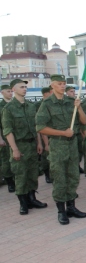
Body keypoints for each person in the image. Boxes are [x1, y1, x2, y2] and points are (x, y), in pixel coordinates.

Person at [36, 74, 86, 225]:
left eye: (64, 83)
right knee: (59, 179)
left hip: (72, 145)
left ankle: (71, 207)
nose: (63, 86)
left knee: (73, 177)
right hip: (58, 145)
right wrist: (62, 133)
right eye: (59, 83)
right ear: (52, 86)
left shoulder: (72, 101)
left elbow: (83, 121)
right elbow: (40, 127)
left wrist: (79, 108)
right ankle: (61, 211)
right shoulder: (47, 104)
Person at [2, 79, 47, 215]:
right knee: (21, 175)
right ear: (14, 89)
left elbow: (36, 126)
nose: (25, 89)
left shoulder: (31, 106)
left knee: (33, 173)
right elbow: (8, 131)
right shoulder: (8, 109)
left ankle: (32, 198)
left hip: (32, 144)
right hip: (19, 145)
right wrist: (14, 149)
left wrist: (39, 143)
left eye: (26, 87)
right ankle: (23, 203)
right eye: (21, 87)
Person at [36, 87, 53, 184]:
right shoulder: (39, 105)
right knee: (46, 157)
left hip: (54, 134)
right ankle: (47, 174)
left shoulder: (52, 104)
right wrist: (45, 143)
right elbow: (40, 125)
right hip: (44, 134)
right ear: (45, 94)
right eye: (50, 92)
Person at [0, 84, 15, 193]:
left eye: (11, 91)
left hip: (17, 136)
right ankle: (10, 182)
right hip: (5, 136)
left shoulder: (15, 104)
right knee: (6, 161)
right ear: (2, 93)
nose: (10, 93)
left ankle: (17, 180)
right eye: (8, 91)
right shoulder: (1, 106)